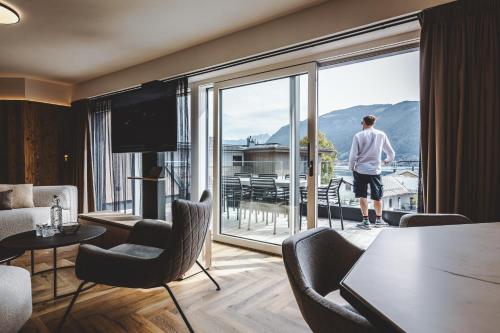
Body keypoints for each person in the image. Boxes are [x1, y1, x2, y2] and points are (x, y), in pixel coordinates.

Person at [348, 115, 395, 229]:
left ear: (364, 123)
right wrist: (386, 161)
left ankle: (366, 222)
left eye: (361, 123)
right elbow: (391, 153)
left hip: (360, 170)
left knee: (362, 196)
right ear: (373, 123)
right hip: (375, 171)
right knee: (377, 196)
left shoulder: (358, 135)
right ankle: (379, 220)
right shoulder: (381, 134)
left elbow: (353, 155)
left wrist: (352, 167)